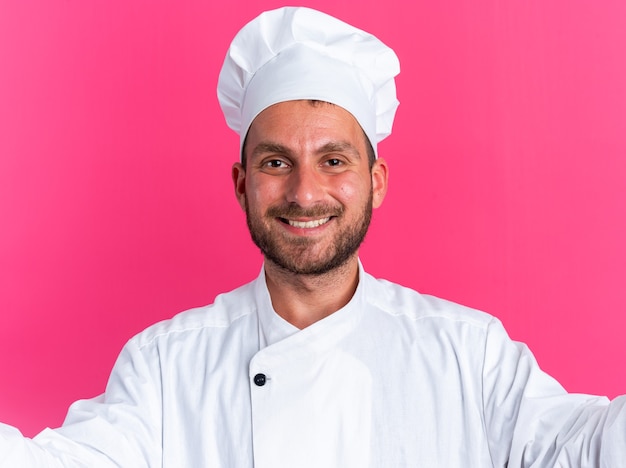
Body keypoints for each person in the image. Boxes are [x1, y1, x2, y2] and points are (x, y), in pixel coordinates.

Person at [1, 6, 625, 467]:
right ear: (242, 184)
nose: (304, 193)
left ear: (375, 180)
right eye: (276, 163)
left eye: (333, 161)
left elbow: (587, 446)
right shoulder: (166, 367)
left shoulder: (469, 356)